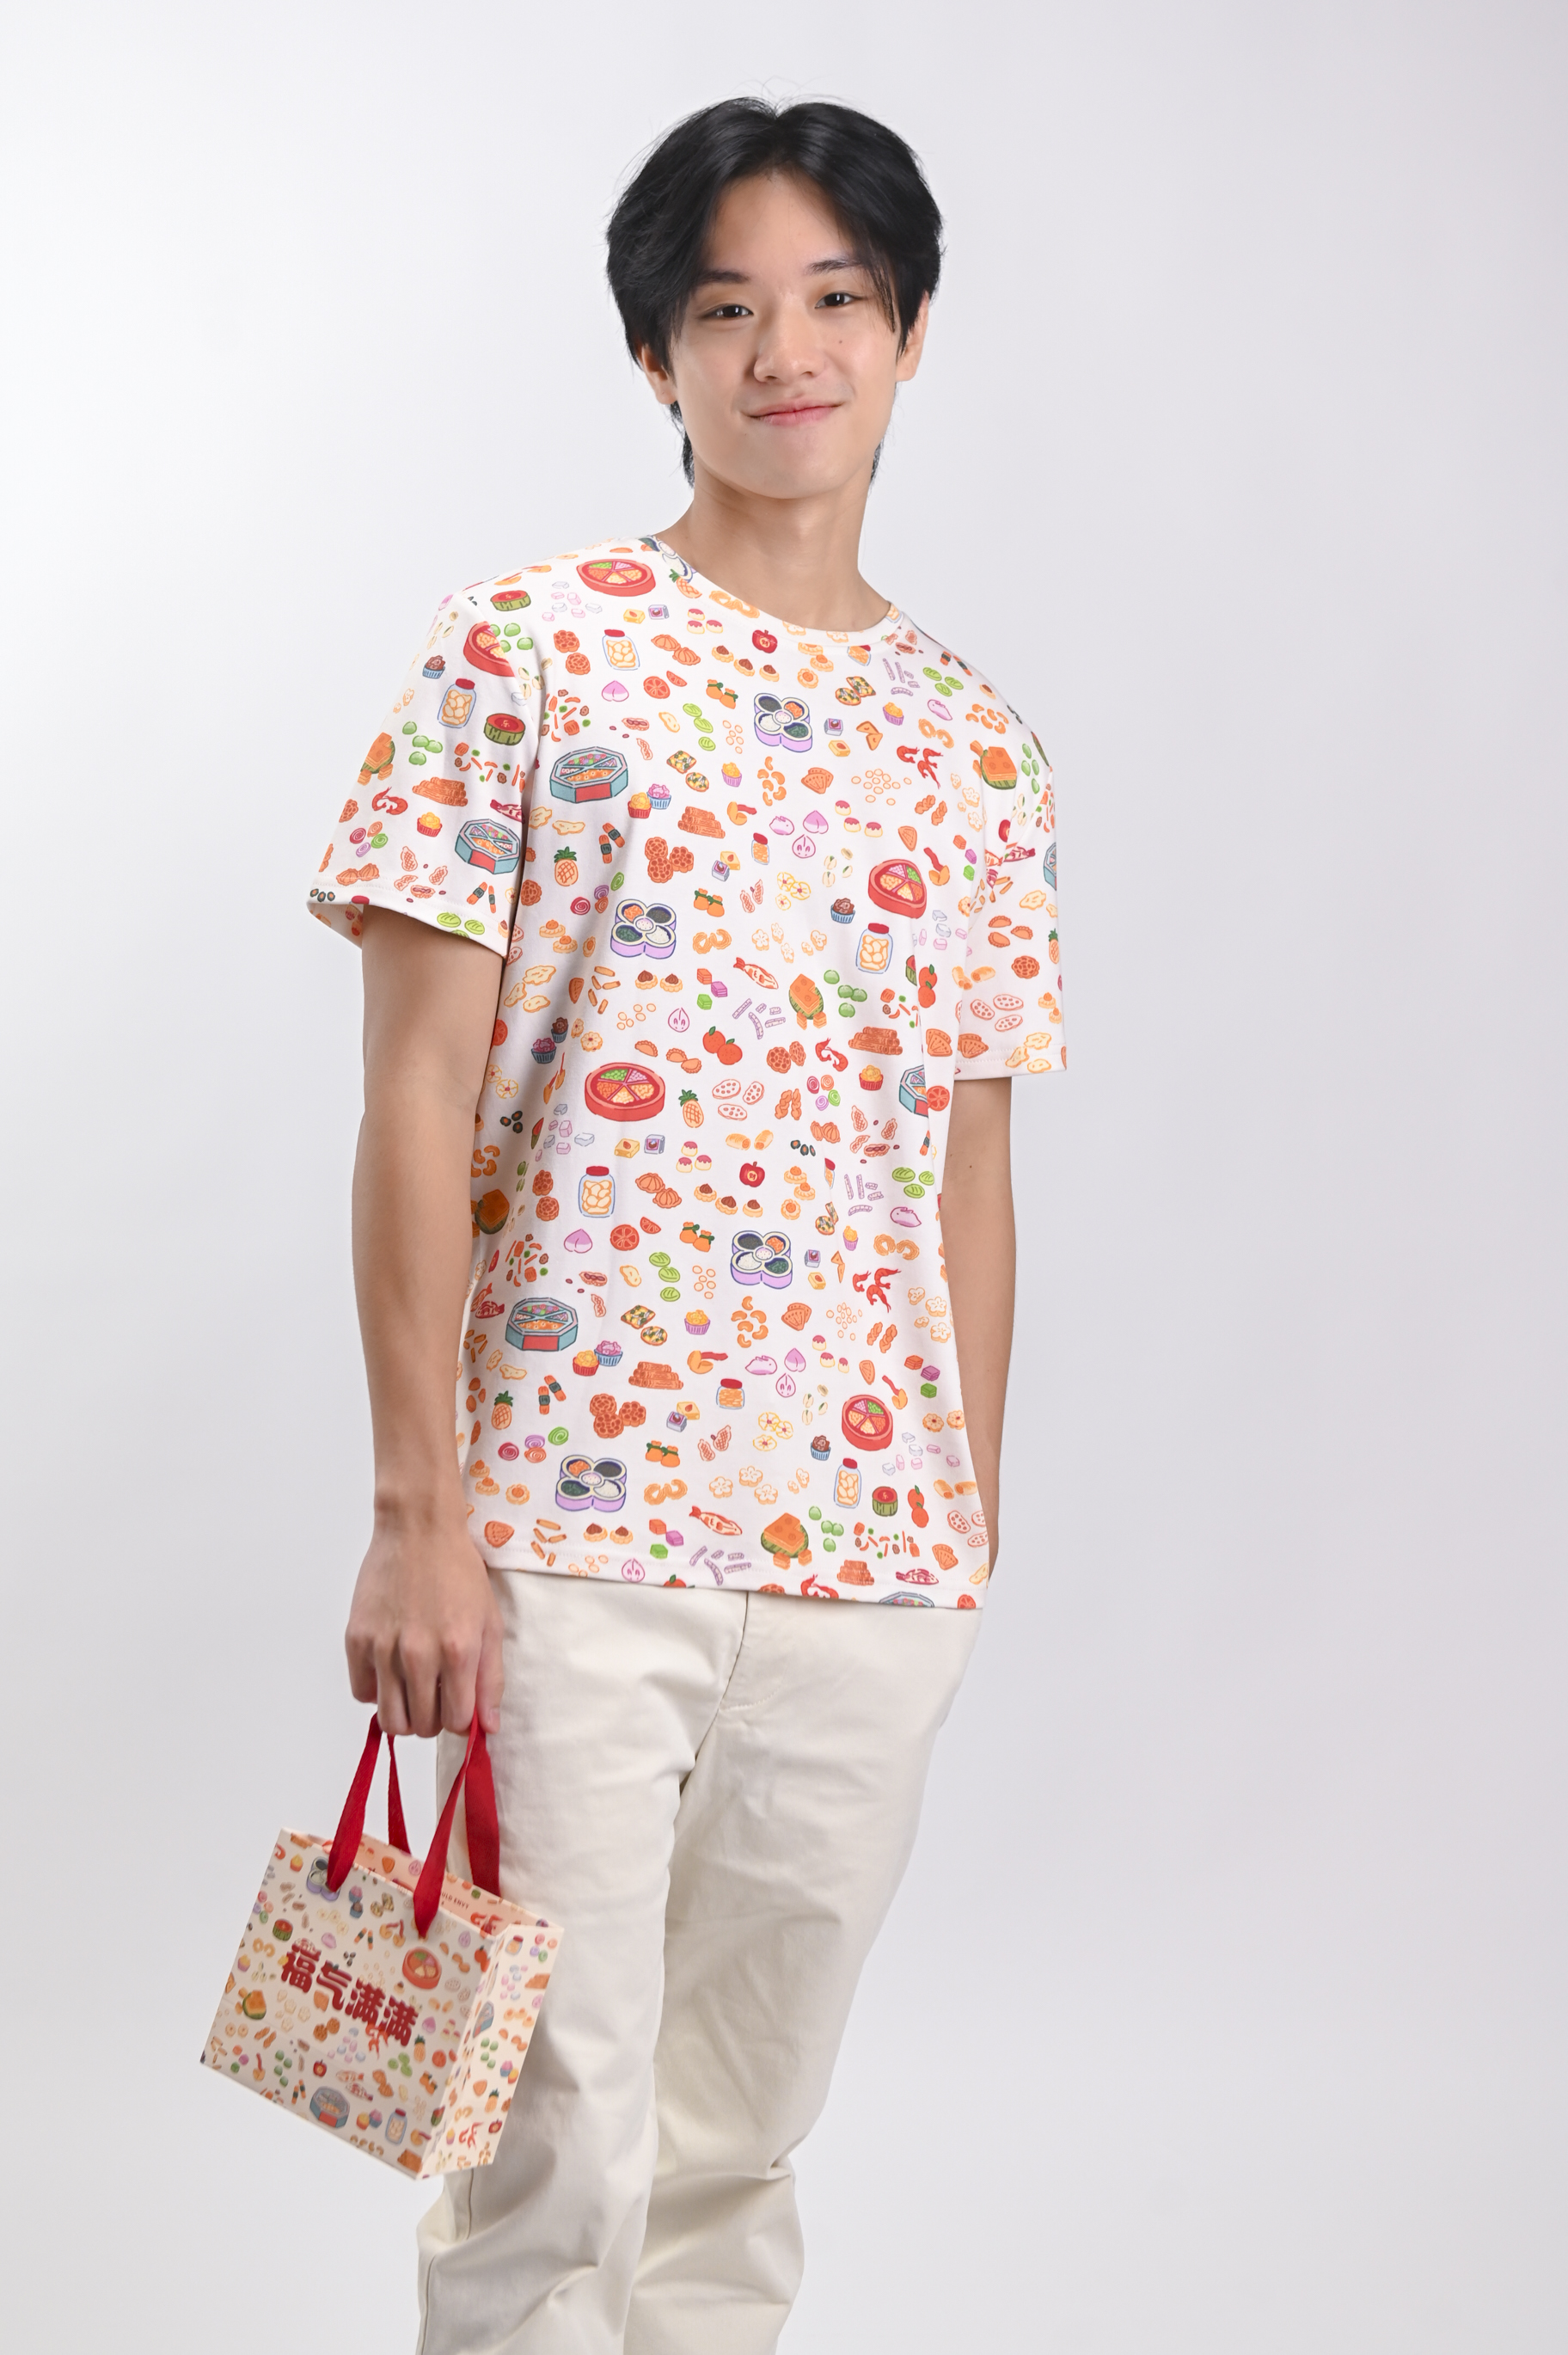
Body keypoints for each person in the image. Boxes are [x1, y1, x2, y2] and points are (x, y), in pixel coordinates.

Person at [308, 95, 1062, 2355]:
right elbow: (414, 1096)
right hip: (564, 1531)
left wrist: (963, 1525)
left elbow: (966, 1163)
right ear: (656, 353)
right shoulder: (530, 651)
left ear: (911, 334)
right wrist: (419, 1513)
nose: (786, 352)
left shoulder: (980, 745)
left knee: (738, 2147)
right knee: (550, 2150)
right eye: (727, 308)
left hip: (869, 1559)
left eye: (837, 299)